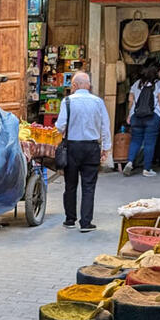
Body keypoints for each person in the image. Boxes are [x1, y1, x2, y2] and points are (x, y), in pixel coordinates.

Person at [55, 72, 112, 233]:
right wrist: (106, 148)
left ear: (74, 85)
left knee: (70, 185)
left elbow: (60, 125)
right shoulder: (98, 102)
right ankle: (86, 223)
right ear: (88, 85)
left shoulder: (67, 101)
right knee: (89, 186)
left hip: (72, 147)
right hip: (91, 147)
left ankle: (70, 220)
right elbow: (105, 126)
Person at [124, 63, 160, 177]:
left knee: (135, 140)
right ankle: (147, 169)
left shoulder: (137, 83)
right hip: (152, 117)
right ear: (157, 71)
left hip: (136, 116)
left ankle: (130, 162)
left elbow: (130, 100)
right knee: (150, 143)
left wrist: (129, 115)